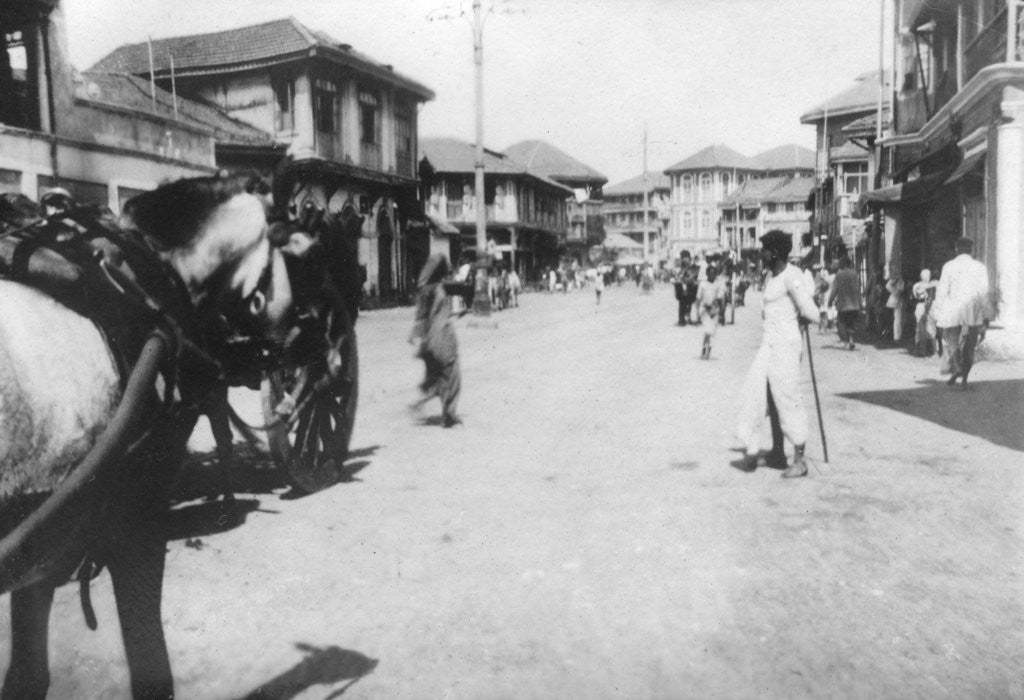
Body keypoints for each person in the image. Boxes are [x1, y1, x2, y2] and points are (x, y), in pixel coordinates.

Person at [735, 230, 820, 478]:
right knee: (762, 395)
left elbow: (808, 307)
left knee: (787, 398)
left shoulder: (792, 276)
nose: (761, 254)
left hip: (786, 347)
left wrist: (816, 317)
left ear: (775, 252)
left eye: (764, 250)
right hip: (768, 344)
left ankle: (800, 460)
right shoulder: (771, 277)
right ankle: (777, 452)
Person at [408, 254, 461, 427]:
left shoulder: (428, 289)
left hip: (432, 340)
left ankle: (419, 404)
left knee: (436, 378)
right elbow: (423, 316)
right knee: (452, 374)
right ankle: (449, 414)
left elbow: (421, 316)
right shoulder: (432, 290)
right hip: (441, 339)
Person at [934, 237, 993, 388]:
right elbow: (984, 294)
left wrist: (937, 312)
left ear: (956, 249)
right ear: (972, 250)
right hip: (973, 313)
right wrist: (987, 316)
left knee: (952, 343)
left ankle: (957, 367)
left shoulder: (949, 266)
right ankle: (964, 381)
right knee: (969, 347)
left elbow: (941, 291)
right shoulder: (980, 267)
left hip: (953, 312)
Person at [827, 256, 861, 350]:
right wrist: (860, 303)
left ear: (843, 264)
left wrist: (830, 301)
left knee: (841, 323)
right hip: (854, 304)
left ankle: (846, 342)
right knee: (852, 324)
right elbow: (858, 289)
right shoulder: (854, 273)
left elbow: (834, 290)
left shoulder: (839, 275)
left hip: (843, 305)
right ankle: (852, 339)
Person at [696, 264, 726, 358]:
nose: (712, 276)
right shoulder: (702, 284)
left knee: (710, 331)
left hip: (714, 310)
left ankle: (705, 345)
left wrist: (721, 314)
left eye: (714, 274)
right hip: (704, 309)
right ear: (707, 274)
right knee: (708, 329)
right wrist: (697, 312)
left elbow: (720, 299)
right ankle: (707, 347)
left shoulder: (718, 285)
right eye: (710, 273)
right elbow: (698, 298)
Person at [911, 269, 938, 357]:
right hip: (923, 306)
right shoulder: (920, 285)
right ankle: (923, 349)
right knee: (923, 327)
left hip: (926, 306)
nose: (928, 277)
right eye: (927, 275)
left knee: (927, 328)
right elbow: (918, 294)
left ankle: (928, 350)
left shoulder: (918, 285)